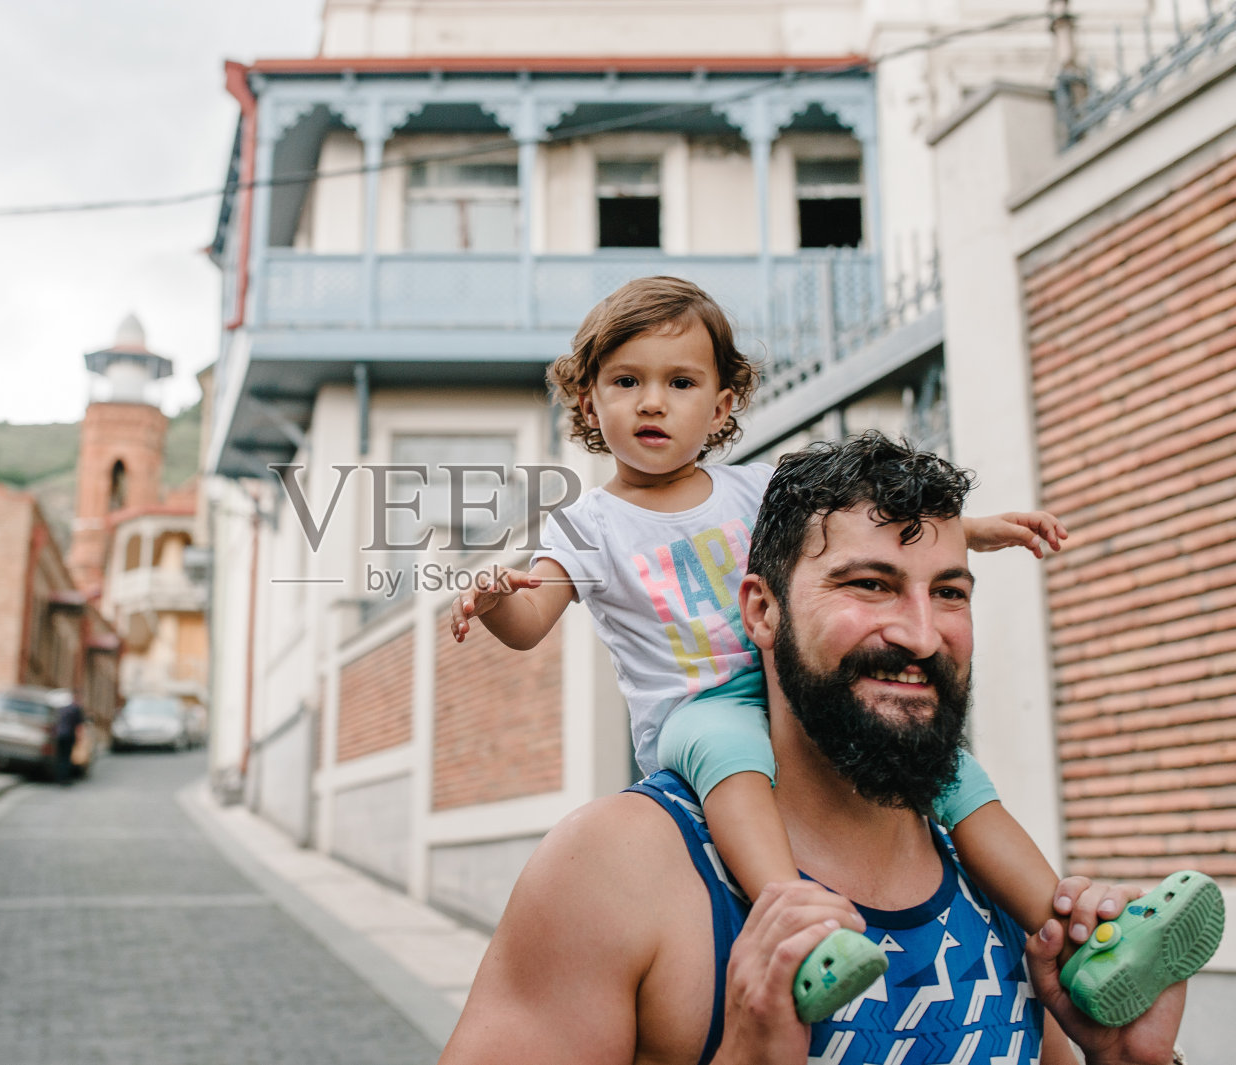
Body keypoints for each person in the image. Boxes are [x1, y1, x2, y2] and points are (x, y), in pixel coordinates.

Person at [440, 435, 1212, 1065]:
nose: (921, 633)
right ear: (762, 610)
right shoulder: (616, 870)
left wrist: (1127, 1061)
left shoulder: (992, 883)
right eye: (870, 584)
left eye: (949, 591)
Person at [451, 276, 1079, 1021]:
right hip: (695, 708)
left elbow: (869, 532)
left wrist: (975, 530)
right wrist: (495, 599)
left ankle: (1073, 930)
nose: (652, 402)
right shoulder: (586, 526)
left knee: (952, 773)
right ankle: (801, 925)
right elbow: (531, 621)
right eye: (626, 381)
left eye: (680, 382)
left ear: (720, 407)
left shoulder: (752, 491)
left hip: (783, 684)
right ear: (589, 403)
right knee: (732, 755)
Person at [53, 694, 84, 786]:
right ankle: (65, 779)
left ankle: (59, 777)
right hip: (68, 735)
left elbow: (55, 722)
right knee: (66, 757)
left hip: (59, 735)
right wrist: (79, 738)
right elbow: (79, 725)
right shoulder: (75, 709)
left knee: (60, 757)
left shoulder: (61, 709)